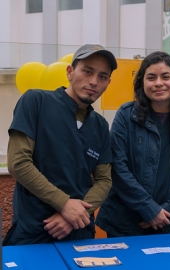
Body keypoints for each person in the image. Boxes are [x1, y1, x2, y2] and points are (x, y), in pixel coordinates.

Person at [3, 44, 117, 245]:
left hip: (79, 230)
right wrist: (64, 203)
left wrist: (74, 215)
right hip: (34, 229)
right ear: (70, 72)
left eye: (102, 76)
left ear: (108, 83)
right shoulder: (36, 101)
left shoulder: (100, 125)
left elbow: (104, 180)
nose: (93, 81)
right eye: (87, 71)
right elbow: (18, 162)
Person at [96, 51, 170, 236]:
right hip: (127, 222)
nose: (159, 83)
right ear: (142, 83)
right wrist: (149, 209)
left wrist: (166, 212)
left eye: (166, 77)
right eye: (151, 77)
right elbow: (118, 167)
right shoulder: (126, 115)